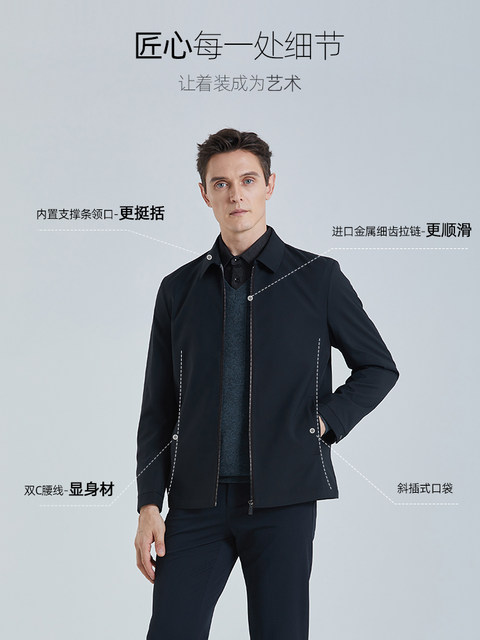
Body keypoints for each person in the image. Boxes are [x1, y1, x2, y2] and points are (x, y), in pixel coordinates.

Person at [134, 128, 399, 639]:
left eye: (248, 180)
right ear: (205, 194)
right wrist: (149, 504)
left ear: (269, 185)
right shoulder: (178, 289)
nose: (236, 194)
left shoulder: (317, 278)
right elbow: (158, 408)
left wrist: (324, 422)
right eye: (221, 183)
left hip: (284, 500)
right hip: (195, 503)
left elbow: (378, 367)